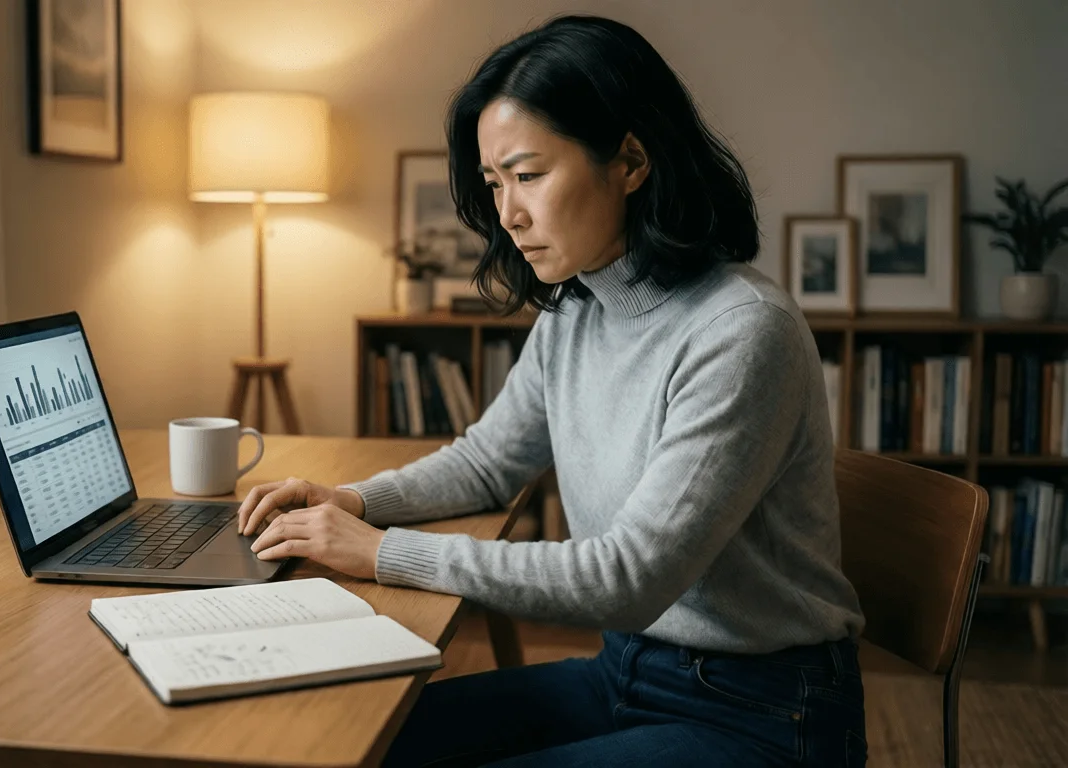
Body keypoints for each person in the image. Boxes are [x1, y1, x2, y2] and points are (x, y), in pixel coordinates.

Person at [235, 14, 867, 768]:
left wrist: (379, 553)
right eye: (495, 183)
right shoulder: (577, 309)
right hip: (624, 671)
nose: (507, 214)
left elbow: (626, 580)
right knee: (355, 739)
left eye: (529, 176)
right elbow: (486, 464)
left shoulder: (741, 332)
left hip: (763, 712)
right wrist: (353, 501)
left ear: (631, 160)